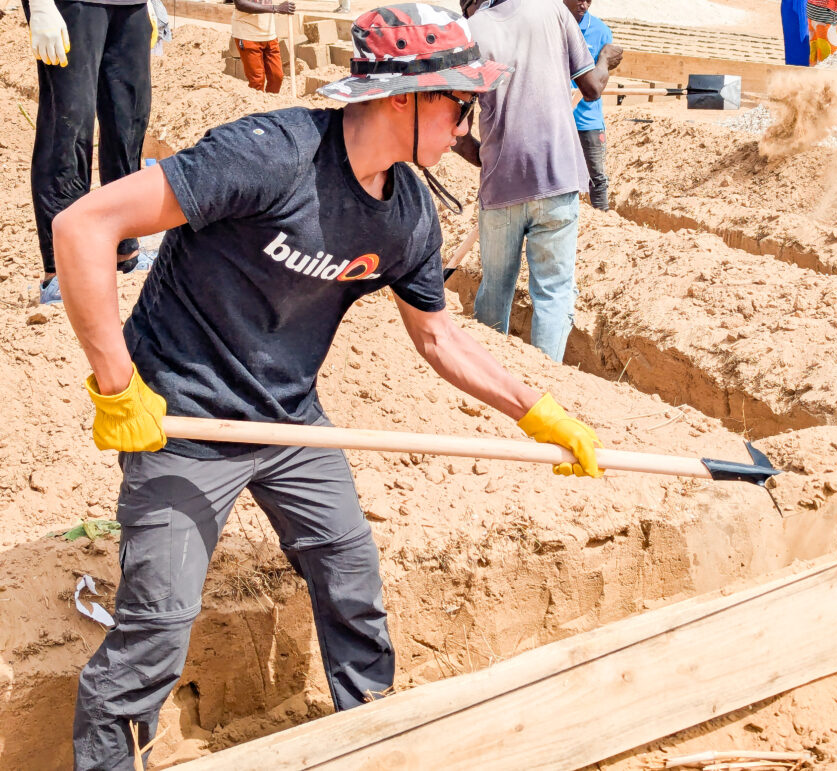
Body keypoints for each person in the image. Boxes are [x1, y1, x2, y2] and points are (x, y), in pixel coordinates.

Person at [54, 5, 603, 768]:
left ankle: (371, 735)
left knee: (350, 576)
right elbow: (84, 227)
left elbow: (438, 335)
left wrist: (536, 412)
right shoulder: (268, 154)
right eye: (459, 103)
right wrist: (117, 386)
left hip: (288, 419)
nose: (468, 125)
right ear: (402, 99)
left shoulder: (407, 216)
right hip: (177, 411)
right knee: (157, 626)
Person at [455, 0, 621, 363]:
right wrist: (606, 57)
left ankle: (486, 377)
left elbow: (455, 127)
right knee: (554, 293)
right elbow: (591, 88)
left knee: (496, 287)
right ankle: (547, 383)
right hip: (558, 178)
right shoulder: (553, 9)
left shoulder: (472, 30)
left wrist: (485, 159)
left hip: (502, 185)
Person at [23, 0, 156, 305]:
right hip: (72, 6)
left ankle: (126, 249)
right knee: (69, 126)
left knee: (129, 125)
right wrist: (41, 5)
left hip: (130, 6)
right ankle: (60, 271)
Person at [562, 0, 620, 211]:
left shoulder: (600, 31)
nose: (584, 5)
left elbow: (599, 81)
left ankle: (601, 224)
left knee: (596, 178)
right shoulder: (550, 25)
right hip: (556, 119)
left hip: (588, 120)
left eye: (589, 0)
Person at [231, 0, 294, 93]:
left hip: (269, 34)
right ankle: (256, 106)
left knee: (277, 77)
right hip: (248, 34)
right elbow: (240, 4)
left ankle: (271, 103)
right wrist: (276, 8)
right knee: (257, 80)